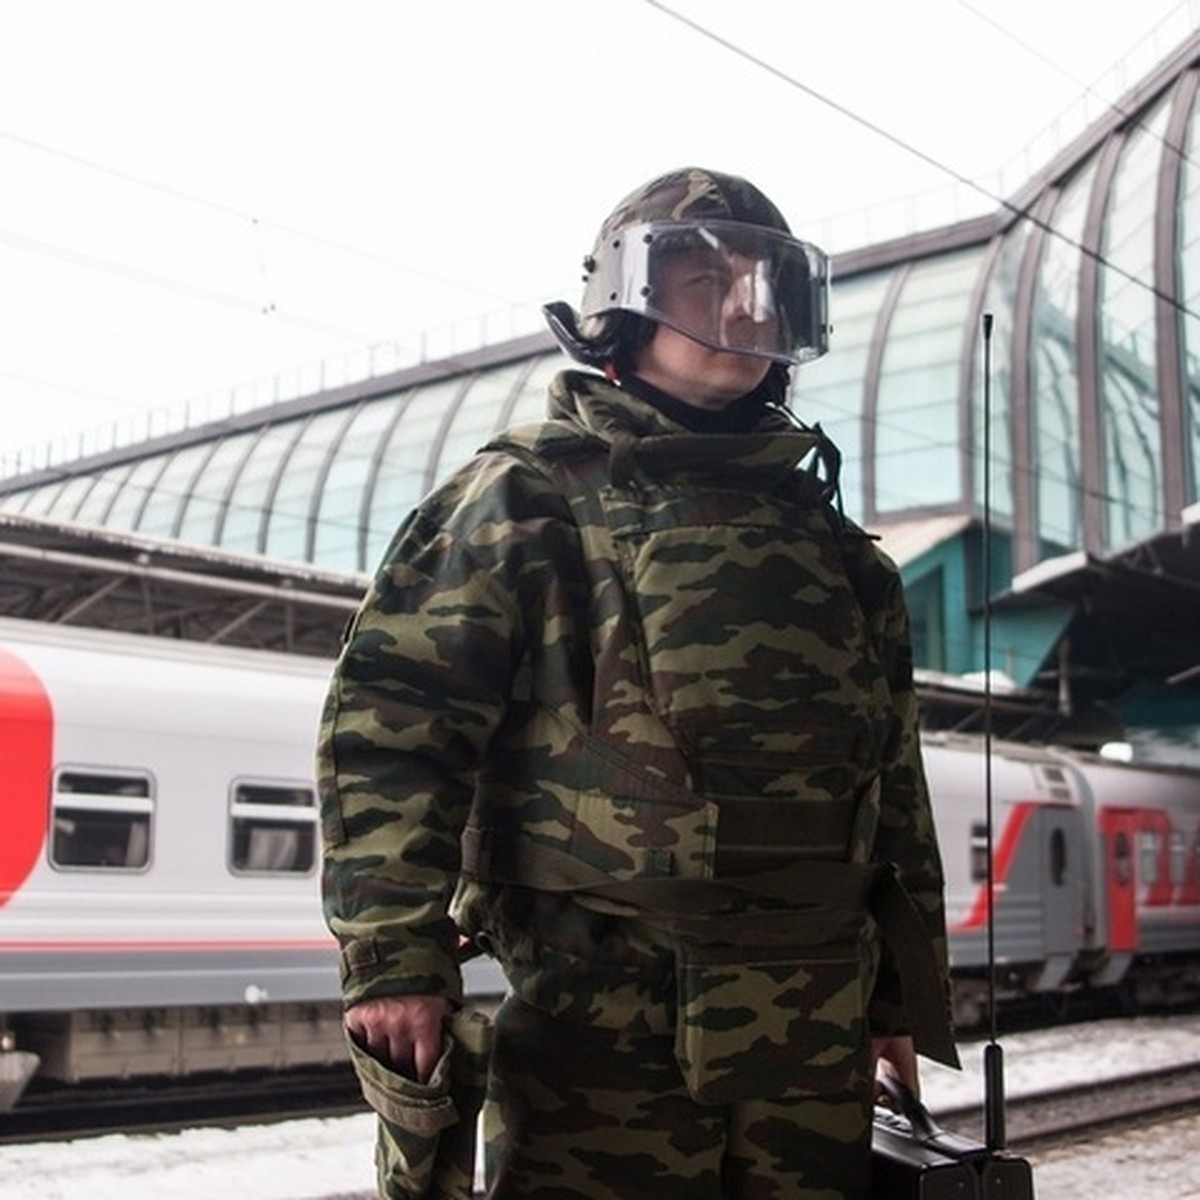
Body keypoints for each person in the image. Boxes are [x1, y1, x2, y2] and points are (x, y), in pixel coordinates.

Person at [318, 166, 959, 1200]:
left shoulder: (839, 553)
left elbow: (888, 786)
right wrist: (393, 959)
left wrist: (897, 996)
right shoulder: (523, 503)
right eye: (705, 283)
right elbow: (394, 731)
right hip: (599, 1036)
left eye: (764, 287)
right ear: (623, 305)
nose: (742, 311)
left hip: (811, 1031)